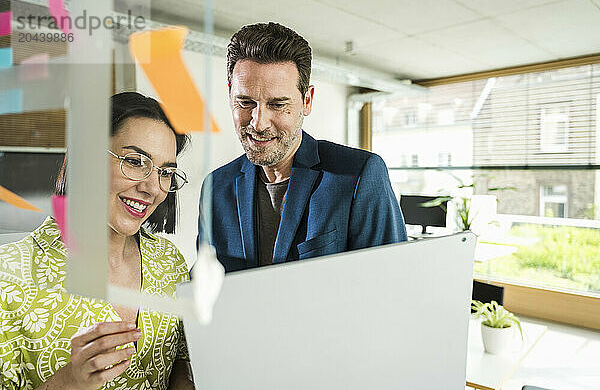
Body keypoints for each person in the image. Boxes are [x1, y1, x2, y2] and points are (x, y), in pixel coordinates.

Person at [0, 92, 194, 389]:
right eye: (135, 160)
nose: (152, 188)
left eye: (165, 172)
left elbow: (181, 360)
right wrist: (69, 381)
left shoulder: (170, 262)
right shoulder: (10, 274)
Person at [197, 22, 407, 273]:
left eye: (277, 104)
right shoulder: (216, 187)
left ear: (306, 101)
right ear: (230, 94)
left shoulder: (358, 175)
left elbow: (390, 285)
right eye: (245, 102)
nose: (258, 122)